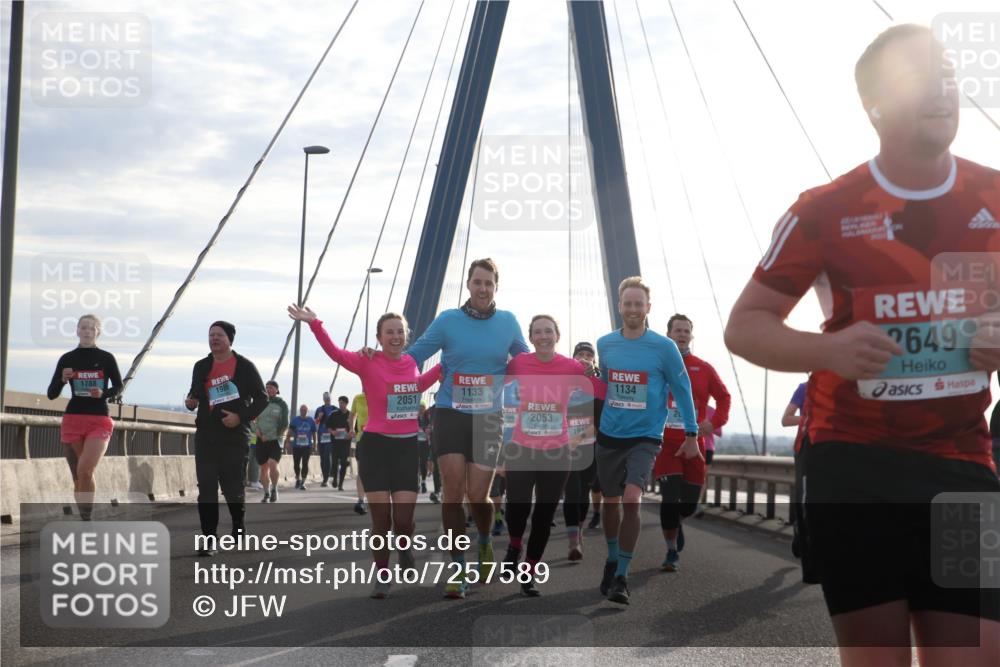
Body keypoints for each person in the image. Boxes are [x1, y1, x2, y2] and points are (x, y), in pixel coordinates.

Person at [724, 24, 1000, 663]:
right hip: (854, 468)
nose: (944, 91)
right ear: (875, 104)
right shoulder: (822, 210)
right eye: (921, 78)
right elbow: (746, 325)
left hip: (961, 466)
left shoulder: (993, 195)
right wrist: (830, 350)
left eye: (950, 76)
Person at [396, 258, 529, 599]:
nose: (483, 288)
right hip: (450, 412)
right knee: (453, 492)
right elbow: (413, 356)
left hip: (488, 418)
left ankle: (484, 543)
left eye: (489, 283)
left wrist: (572, 370)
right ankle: (458, 567)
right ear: (468, 285)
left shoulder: (508, 322)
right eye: (477, 282)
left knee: (478, 496)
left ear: (496, 287)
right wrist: (378, 358)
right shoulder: (448, 320)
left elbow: (527, 363)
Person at [290, 305, 441, 599]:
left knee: (404, 521)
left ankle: (405, 545)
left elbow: (417, 386)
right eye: (389, 332)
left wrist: (444, 367)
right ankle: (382, 574)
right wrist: (315, 323)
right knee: (381, 520)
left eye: (400, 332)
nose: (395, 337)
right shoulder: (366, 361)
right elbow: (335, 353)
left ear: (406, 336)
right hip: (375, 447)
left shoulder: (412, 362)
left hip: (407, 447)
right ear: (379, 337)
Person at [596, 277, 698, 605]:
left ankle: (622, 575)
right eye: (628, 303)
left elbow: (682, 391)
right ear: (619, 306)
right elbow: (606, 386)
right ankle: (612, 558)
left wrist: (692, 433)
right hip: (610, 434)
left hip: (646, 437)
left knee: (631, 498)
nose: (633, 309)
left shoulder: (664, 348)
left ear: (648, 308)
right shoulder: (605, 344)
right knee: (610, 503)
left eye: (639, 304)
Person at [501, 315, 593, 596]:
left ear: (557, 335)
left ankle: (528, 572)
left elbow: (596, 383)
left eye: (548, 331)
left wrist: (594, 369)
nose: (543, 336)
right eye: (538, 332)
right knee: (517, 509)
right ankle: (515, 544)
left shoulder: (571, 366)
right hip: (521, 449)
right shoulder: (518, 363)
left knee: (543, 514)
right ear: (531, 337)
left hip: (557, 452)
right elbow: (494, 386)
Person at [653, 314, 730, 572]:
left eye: (687, 331)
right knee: (670, 499)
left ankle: (677, 522)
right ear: (669, 334)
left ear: (691, 336)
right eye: (678, 330)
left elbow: (724, 397)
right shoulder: (655, 365)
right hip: (666, 444)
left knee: (687, 504)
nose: (682, 334)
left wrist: (714, 422)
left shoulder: (703, 368)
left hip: (694, 444)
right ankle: (671, 550)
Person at [184, 321, 267, 555]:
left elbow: (262, 399)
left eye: (219, 335)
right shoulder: (201, 366)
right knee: (207, 489)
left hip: (234, 437)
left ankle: (238, 525)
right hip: (206, 436)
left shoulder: (244, 367)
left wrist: (240, 417)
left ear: (230, 339)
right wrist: (191, 402)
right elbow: (195, 393)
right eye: (211, 335)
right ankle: (209, 540)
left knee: (232, 489)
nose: (214, 339)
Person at [46, 314, 122, 521]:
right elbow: (51, 394)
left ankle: (86, 520)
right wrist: (62, 380)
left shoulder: (106, 358)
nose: (87, 331)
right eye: (83, 328)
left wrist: (103, 393)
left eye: (91, 328)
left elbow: (118, 386)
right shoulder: (67, 359)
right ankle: (85, 516)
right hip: (73, 419)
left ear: (98, 332)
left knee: (85, 470)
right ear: (77, 331)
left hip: (98, 420)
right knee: (78, 475)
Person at [562, 341, 605, 560]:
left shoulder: (598, 385)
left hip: (590, 447)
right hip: (567, 449)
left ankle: (578, 532)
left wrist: (579, 436)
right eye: (580, 354)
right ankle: (573, 543)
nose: (585, 357)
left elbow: (601, 419)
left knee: (583, 493)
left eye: (589, 354)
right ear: (573, 359)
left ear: (594, 361)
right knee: (571, 493)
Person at [254, 381, 288, 502]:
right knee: (263, 469)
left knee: (273, 464)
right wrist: (256, 430)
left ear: (277, 390)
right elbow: (253, 420)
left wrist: (269, 436)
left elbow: (284, 424)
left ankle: (274, 489)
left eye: (271, 387)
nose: (268, 389)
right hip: (260, 440)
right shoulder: (259, 403)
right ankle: (266, 493)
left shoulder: (281, 404)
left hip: (275, 440)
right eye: (266, 387)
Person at [325, 395, 352, 490]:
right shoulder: (334, 414)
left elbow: (354, 430)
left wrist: (350, 434)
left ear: (346, 404)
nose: (340, 405)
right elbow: (328, 426)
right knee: (335, 462)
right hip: (335, 443)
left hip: (345, 443)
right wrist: (332, 432)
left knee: (344, 463)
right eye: (339, 403)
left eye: (342, 403)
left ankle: (341, 484)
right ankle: (335, 479)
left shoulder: (350, 415)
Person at [289, 404, 317, 489]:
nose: (303, 411)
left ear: (307, 411)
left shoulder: (311, 420)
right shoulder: (295, 420)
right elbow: (290, 431)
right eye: (301, 409)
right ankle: (298, 479)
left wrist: (315, 444)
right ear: (300, 411)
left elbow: (314, 433)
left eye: (305, 410)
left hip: (307, 446)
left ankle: (303, 482)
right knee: (296, 464)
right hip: (296, 446)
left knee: (305, 463)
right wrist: (287, 441)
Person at [350, 393, 369, 514]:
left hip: (380, 438)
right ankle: (361, 501)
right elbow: (352, 415)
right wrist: (352, 428)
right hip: (362, 439)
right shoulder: (357, 398)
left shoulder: (381, 394)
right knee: (362, 470)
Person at [315, 392, 338, 487]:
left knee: (327, 456)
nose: (327, 399)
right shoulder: (319, 409)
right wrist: (319, 417)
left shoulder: (335, 409)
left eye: (328, 398)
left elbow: (339, 422)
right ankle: (325, 476)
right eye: (325, 398)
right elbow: (315, 423)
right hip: (321, 436)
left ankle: (326, 478)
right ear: (323, 399)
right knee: (322, 458)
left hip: (331, 437)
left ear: (331, 399)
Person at [417, 403, 432, 493]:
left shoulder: (428, 418)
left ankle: (423, 482)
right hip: (416, 443)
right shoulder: (414, 418)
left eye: (422, 408)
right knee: (416, 464)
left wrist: (428, 430)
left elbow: (430, 428)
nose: (421, 409)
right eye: (419, 408)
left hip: (425, 444)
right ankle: (417, 482)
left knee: (423, 464)